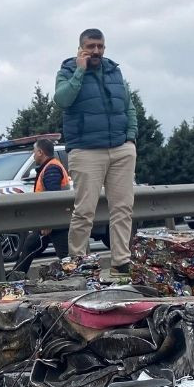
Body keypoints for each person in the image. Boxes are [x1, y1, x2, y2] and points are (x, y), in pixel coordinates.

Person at [55, 28, 137, 282]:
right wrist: (79, 71)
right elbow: (62, 100)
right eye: (91, 46)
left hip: (120, 148)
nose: (96, 51)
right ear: (80, 48)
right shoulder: (67, 71)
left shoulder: (114, 70)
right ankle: (78, 264)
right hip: (86, 150)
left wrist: (131, 137)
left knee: (122, 208)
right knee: (84, 211)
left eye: (100, 46)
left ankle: (121, 263)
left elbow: (128, 105)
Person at [10, 138, 70, 279]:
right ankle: (15, 278)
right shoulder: (50, 166)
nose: (33, 155)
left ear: (40, 152)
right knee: (31, 246)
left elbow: (53, 198)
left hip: (55, 221)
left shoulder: (51, 168)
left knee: (64, 256)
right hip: (54, 219)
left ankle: (15, 278)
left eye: (34, 151)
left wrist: (48, 222)